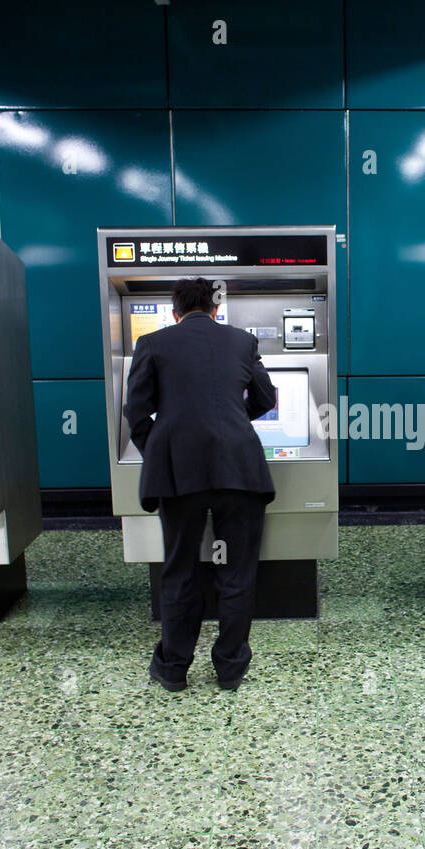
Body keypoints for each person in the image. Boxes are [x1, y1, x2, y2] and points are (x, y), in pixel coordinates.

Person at [124, 277, 276, 692]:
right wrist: (231, 422)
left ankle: (173, 669)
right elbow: (265, 398)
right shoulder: (241, 342)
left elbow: (135, 412)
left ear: (174, 312)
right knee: (237, 570)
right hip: (239, 470)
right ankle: (230, 668)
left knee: (179, 569)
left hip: (179, 473)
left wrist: (160, 446)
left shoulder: (153, 344)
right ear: (215, 310)